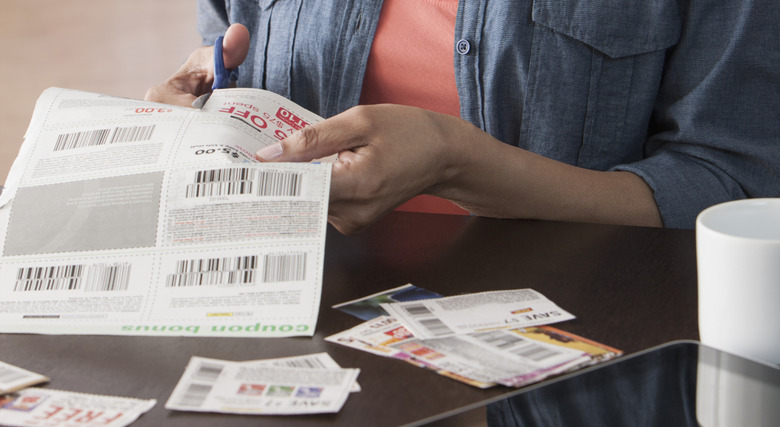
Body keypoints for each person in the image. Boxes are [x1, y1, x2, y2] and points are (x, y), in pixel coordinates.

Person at [146, 1, 780, 236]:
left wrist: (460, 161)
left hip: (580, 360)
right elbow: (223, 67)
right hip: (306, 333)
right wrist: (202, 125)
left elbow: (733, 187)